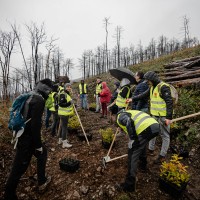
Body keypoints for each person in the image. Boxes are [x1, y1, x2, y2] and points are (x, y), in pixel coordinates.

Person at [4, 79, 53, 200]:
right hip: (27, 140)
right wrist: (38, 145)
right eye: (50, 91)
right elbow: (35, 125)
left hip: (22, 135)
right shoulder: (39, 100)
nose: (50, 94)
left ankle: (41, 180)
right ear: (46, 90)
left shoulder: (30, 95)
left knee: (43, 153)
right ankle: (9, 195)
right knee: (17, 170)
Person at [128, 71, 173, 164]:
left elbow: (169, 102)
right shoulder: (152, 87)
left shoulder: (163, 87)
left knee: (165, 136)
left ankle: (162, 155)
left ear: (153, 80)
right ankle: (151, 149)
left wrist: (169, 117)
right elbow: (143, 95)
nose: (147, 82)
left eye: (148, 80)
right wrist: (133, 99)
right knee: (152, 132)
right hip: (154, 115)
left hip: (163, 116)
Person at [116, 109, 159, 192]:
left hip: (145, 128)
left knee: (132, 154)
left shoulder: (119, 117)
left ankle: (129, 185)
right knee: (141, 146)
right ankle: (143, 166)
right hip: (154, 126)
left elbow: (128, 122)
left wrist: (133, 138)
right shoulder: (131, 112)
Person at [57, 83, 74, 148]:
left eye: (70, 87)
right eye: (67, 87)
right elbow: (61, 104)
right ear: (64, 87)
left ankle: (60, 139)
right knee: (64, 127)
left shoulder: (66, 94)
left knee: (61, 126)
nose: (69, 88)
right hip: (64, 114)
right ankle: (64, 143)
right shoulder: (63, 94)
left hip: (64, 113)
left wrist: (71, 103)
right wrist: (70, 103)